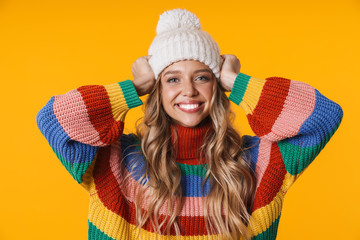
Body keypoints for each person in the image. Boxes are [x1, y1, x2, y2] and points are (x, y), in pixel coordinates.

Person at [36, 8, 343, 240]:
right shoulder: (115, 163)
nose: (189, 91)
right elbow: (53, 119)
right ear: (156, 89)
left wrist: (234, 81)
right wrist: (134, 85)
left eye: (202, 77)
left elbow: (323, 116)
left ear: (216, 86)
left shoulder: (260, 164)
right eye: (172, 79)